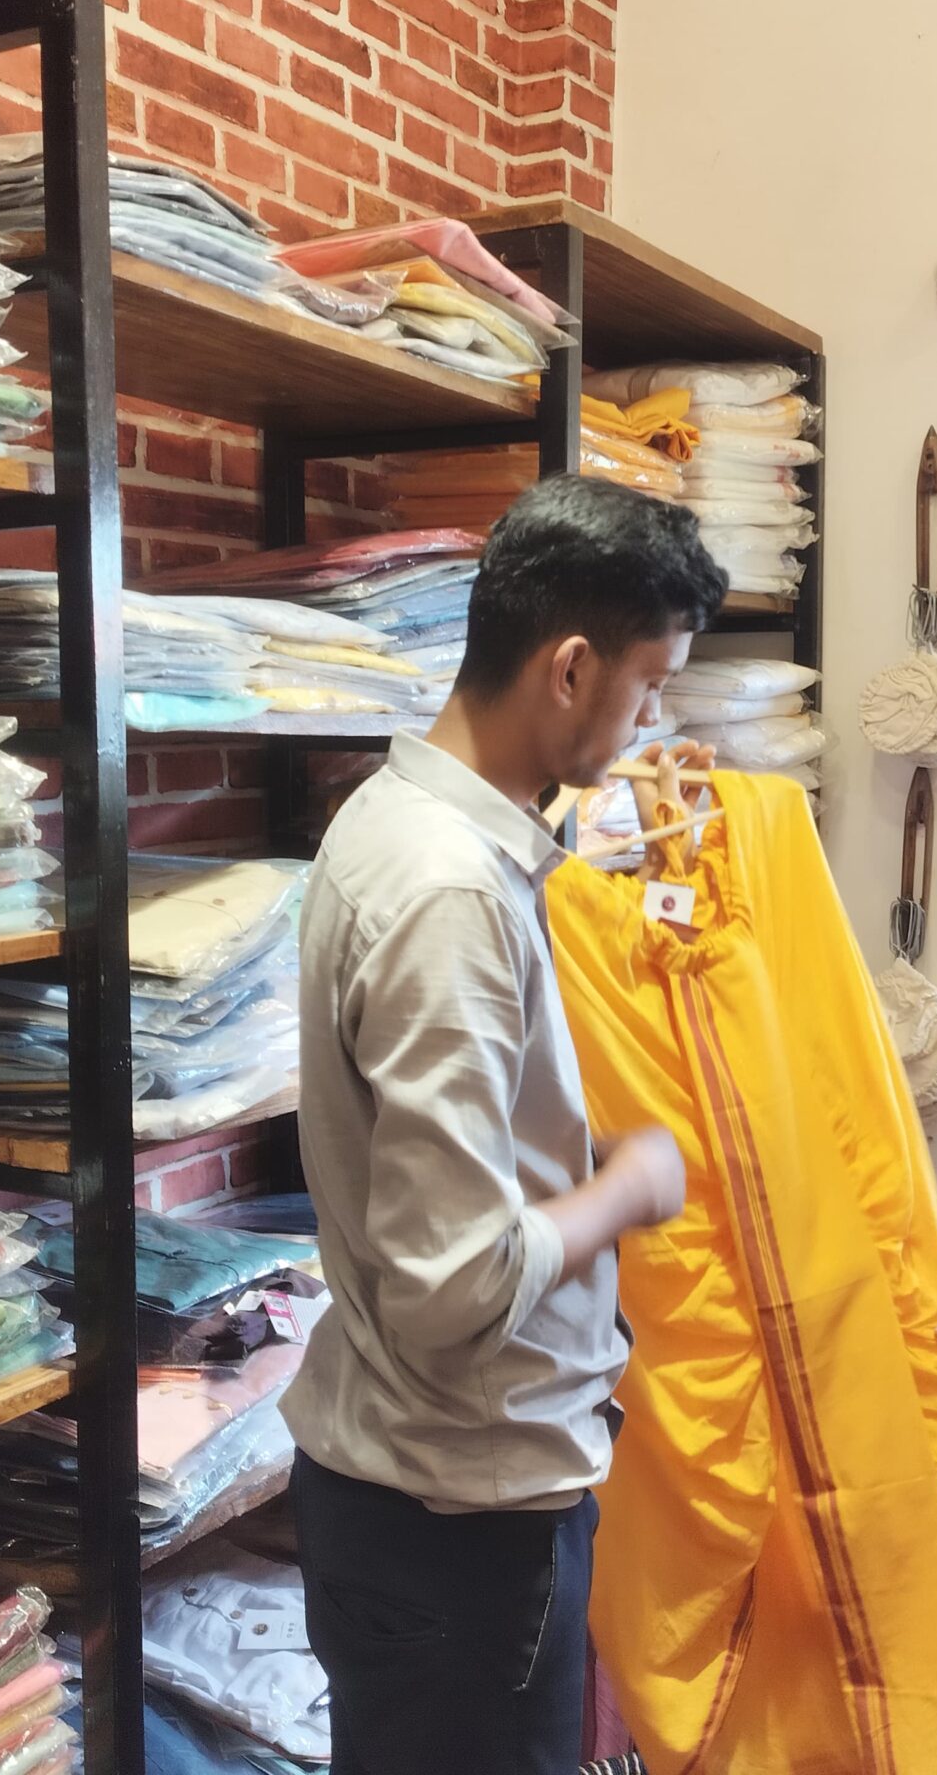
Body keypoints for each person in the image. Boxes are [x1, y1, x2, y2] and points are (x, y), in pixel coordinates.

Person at [282, 476, 725, 1774]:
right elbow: (451, 1287)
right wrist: (624, 1190)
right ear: (570, 669)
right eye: (649, 688)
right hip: (461, 1521)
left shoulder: (397, 821)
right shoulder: (449, 895)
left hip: (415, 1495)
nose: (653, 724)